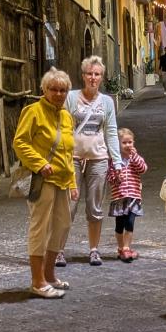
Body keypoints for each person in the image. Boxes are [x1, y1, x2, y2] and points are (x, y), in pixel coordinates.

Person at [12, 69, 76, 298]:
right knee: (40, 228)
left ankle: (49, 275)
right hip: (43, 179)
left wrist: (73, 182)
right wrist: (39, 164)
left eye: (63, 90)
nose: (58, 94)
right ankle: (37, 281)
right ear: (44, 90)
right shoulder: (33, 111)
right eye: (54, 89)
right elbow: (20, 142)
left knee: (62, 226)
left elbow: (69, 152)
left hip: (62, 180)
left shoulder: (67, 116)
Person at [59, 56, 122, 267]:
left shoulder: (107, 102)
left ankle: (94, 250)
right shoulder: (71, 98)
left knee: (95, 207)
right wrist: (62, 155)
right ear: (83, 75)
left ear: (101, 77)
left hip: (98, 159)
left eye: (97, 74)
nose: (93, 78)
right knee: (68, 206)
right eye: (89, 73)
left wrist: (118, 161)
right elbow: (63, 127)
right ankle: (58, 250)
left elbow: (111, 132)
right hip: (73, 159)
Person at [107, 127, 147, 261]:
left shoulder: (134, 159)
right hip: (119, 197)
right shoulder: (114, 161)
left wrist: (135, 156)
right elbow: (109, 177)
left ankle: (126, 248)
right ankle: (120, 247)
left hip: (133, 197)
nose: (128, 145)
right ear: (117, 145)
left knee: (130, 222)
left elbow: (143, 169)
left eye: (130, 142)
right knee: (119, 224)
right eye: (124, 143)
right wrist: (116, 178)